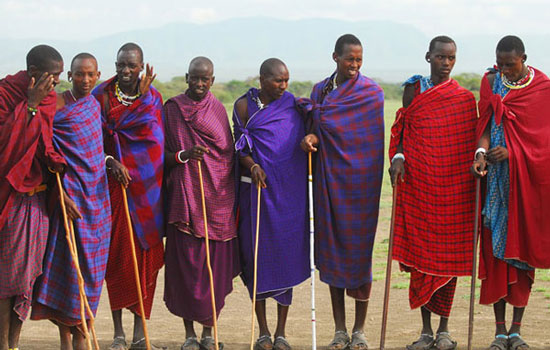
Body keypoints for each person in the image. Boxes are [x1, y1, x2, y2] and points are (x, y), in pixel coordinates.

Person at [388, 36, 477, 350]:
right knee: (421, 258)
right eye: (440, 57)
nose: (446, 63)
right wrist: (398, 158)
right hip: (420, 187)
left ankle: (444, 330)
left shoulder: (465, 99)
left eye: (451, 58)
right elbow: (402, 130)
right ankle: (425, 331)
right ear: (429, 57)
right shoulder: (414, 90)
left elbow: (469, 143)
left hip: (452, 191)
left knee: (448, 261)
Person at [300, 34, 384, 350]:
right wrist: (310, 137)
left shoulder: (371, 93)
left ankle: (359, 331)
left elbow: (371, 142)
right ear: (335, 57)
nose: (355, 65)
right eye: (350, 59)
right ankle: (339, 329)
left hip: (361, 185)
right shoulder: (320, 91)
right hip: (328, 180)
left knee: (360, 254)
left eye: (359, 60)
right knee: (331, 249)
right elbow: (313, 127)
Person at [471, 35, 550, 350]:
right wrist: (481, 152)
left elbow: (544, 142)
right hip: (495, 186)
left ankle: (516, 331)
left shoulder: (543, 88)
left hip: (527, 186)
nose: (505, 70)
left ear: (524, 58)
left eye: (511, 64)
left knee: (522, 258)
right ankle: (499, 332)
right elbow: (487, 125)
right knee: (495, 257)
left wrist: (514, 153)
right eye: (500, 63)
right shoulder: (491, 82)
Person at [30, 53, 111, 350]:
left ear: (98, 74)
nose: (86, 80)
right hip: (69, 201)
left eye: (91, 74)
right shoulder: (57, 105)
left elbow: (94, 151)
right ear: (70, 76)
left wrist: (110, 161)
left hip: (98, 204)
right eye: (79, 74)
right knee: (68, 267)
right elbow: (44, 151)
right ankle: (68, 337)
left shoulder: (94, 105)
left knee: (92, 272)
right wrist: (59, 194)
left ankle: (83, 331)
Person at [163, 57, 240, 350]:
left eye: (204, 79)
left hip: (217, 199)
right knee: (186, 269)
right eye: (194, 78)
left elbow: (227, 155)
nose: (198, 84)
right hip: (185, 199)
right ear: (186, 77)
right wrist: (184, 155)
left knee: (213, 270)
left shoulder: (218, 109)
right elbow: (163, 155)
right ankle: (189, 335)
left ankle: (209, 332)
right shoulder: (172, 109)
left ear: (212, 80)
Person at [92, 43, 165, 350]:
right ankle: (118, 332)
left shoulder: (154, 98)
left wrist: (142, 100)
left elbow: (157, 143)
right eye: (120, 65)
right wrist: (110, 163)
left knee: (144, 260)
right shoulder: (101, 96)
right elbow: (92, 141)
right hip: (112, 189)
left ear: (141, 66)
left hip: (146, 191)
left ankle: (139, 331)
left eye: (131, 66)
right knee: (117, 259)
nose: (124, 71)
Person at [233, 58, 309, 350]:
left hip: (288, 193)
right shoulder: (243, 106)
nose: (284, 86)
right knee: (255, 260)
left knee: (285, 257)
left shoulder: (293, 105)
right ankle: (263, 331)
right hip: (256, 193)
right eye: (278, 81)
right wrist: (251, 166)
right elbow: (240, 146)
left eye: (287, 80)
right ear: (263, 79)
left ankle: (281, 332)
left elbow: (308, 134)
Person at [0, 44, 65, 350]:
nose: (56, 84)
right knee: (7, 281)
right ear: (34, 74)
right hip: (10, 199)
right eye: (52, 77)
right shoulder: (5, 95)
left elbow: (46, 144)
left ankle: (14, 342)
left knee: (26, 280)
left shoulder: (49, 99)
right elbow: (6, 151)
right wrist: (28, 106)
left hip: (37, 199)